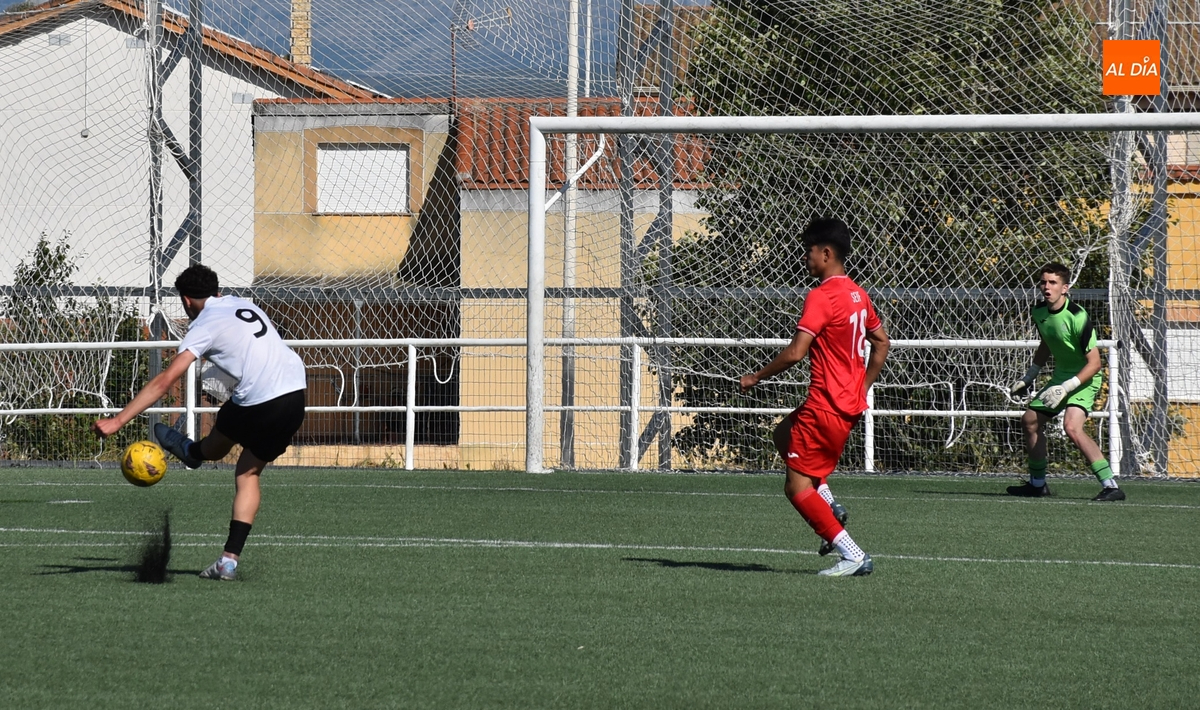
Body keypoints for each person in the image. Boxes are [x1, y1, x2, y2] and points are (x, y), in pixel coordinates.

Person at [92, 264, 308, 580]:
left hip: (260, 397)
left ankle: (191, 453)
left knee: (214, 450)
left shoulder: (203, 324)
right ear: (217, 291)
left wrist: (118, 420)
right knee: (248, 472)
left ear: (186, 300)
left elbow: (165, 380)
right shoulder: (242, 304)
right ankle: (228, 561)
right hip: (296, 394)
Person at [739, 218, 890, 577]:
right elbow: (882, 342)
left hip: (826, 405)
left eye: (809, 251)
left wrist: (756, 376)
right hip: (845, 404)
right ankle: (829, 504)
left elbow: (796, 352)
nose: (805, 257)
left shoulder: (821, 296)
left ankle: (852, 554)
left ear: (826, 253)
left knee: (796, 488)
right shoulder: (857, 294)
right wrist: (862, 387)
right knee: (783, 434)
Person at [1008, 263, 1124, 501]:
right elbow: (1047, 342)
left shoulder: (1077, 316)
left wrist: (1067, 387)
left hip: (1085, 377)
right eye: (1043, 282)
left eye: (1053, 283)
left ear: (1065, 288)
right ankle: (1037, 485)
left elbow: (1095, 364)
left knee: (1071, 427)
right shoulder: (1039, 312)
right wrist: (1029, 376)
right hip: (1062, 377)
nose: (1046, 287)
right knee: (1029, 421)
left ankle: (1111, 486)